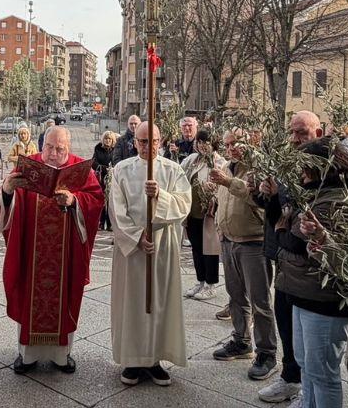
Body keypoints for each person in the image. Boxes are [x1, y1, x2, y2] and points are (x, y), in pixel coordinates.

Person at [270, 137, 348, 408]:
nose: (301, 173)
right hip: (302, 292)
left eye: (305, 167)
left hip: (323, 299)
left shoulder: (335, 201)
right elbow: (285, 235)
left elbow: (294, 242)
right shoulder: (315, 196)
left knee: (323, 373)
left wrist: (289, 230)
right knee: (309, 366)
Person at [0, 126, 104, 374]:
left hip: (66, 255)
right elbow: (9, 202)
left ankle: (62, 355)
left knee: (65, 295)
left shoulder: (81, 170)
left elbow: (96, 201)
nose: (54, 153)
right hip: (31, 251)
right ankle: (27, 355)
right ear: (42, 144)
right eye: (49, 147)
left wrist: (75, 201)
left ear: (68, 148)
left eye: (60, 149)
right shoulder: (29, 167)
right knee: (30, 296)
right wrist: (7, 191)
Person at [109, 122, 192, 386]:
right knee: (132, 302)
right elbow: (116, 209)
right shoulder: (121, 170)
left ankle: (156, 359)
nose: (148, 147)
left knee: (159, 302)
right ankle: (132, 360)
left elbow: (184, 204)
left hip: (162, 245)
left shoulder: (173, 170)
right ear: (134, 142)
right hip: (132, 250)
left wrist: (161, 195)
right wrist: (136, 237)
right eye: (142, 141)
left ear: (161, 141)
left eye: (153, 141)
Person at [254, 110, 323, 408]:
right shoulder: (288, 166)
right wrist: (268, 196)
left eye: (303, 134)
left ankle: (306, 392)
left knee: (307, 336)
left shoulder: (324, 172)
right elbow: (276, 216)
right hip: (284, 259)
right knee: (285, 320)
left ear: (318, 134)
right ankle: (290, 377)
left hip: (308, 268)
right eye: (292, 133)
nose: (295, 139)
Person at [211, 130, 277, 381]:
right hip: (229, 241)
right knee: (235, 297)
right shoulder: (227, 167)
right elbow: (222, 201)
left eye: (235, 143)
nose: (231, 148)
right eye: (227, 144)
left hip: (253, 243)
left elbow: (257, 200)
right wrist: (220, 228)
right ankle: (241, 341)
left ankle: (267, 352)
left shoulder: (259, 168)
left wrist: (228, 183)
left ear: (250, 140)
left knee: (260, 301)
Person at [179, 130, 223, 300]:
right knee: (196, 248)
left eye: (205, 142)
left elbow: (224, 185)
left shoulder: (219, 162)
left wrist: (213, 194)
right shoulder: (192, 160)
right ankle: (201, 281)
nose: (201, 145)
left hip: (209, 214)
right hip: (192, 213)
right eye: (199, 141)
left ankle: (211, 284)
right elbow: (180, 175)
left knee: (210, 250)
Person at [91, 130, 117, 231]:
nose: (107, 140)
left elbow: (117, 162)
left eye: (109, 139)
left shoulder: (115, 150)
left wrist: (112, 169)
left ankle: (110, 223)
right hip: (101, 178)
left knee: (111, 202)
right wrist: (102, 168)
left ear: (112, 140)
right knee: (101, 200)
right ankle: (101, 222)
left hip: (112, 178)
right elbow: (93, 163)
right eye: (106, 138)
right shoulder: (98, 149)